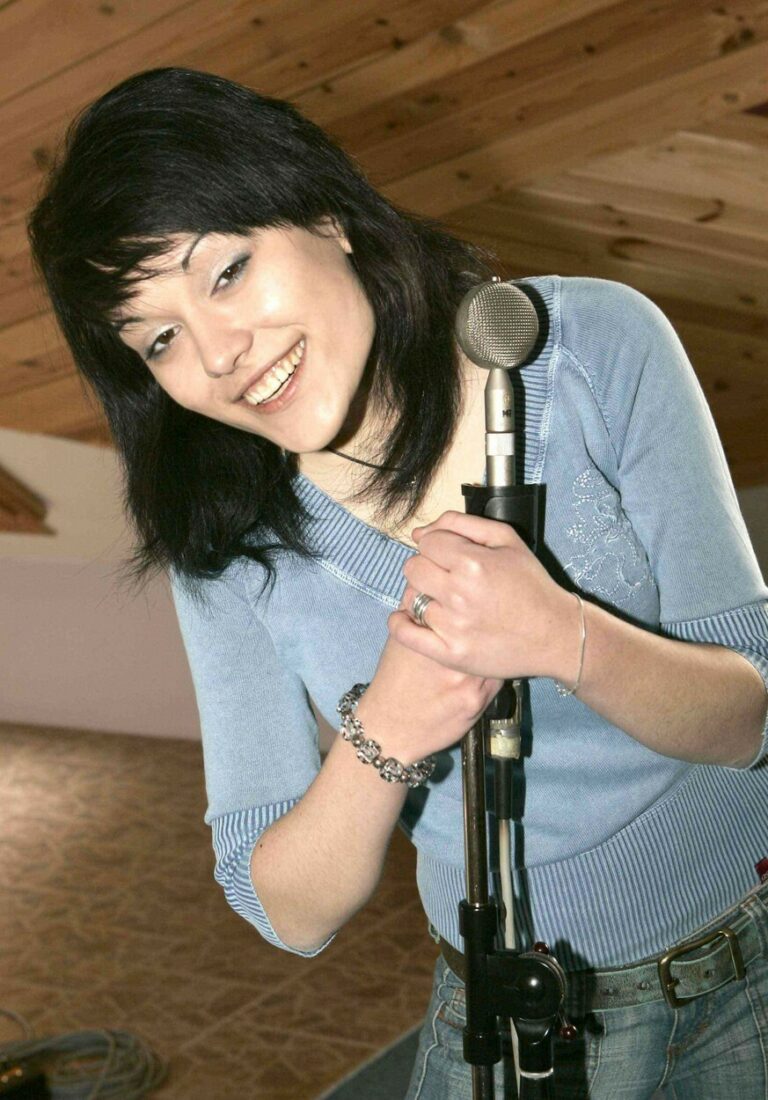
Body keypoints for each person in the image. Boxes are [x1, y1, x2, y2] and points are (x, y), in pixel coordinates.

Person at [28, 67, 768, 1099]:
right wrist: (385, 732)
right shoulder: (228, 541)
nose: (220, 354)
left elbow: (750, 717)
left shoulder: (588, 350)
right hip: (519, 1017)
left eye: (226, 272)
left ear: (326, 214)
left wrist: (565, 638)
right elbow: (285, 907)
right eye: (159, 338)